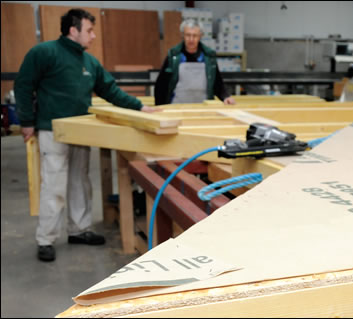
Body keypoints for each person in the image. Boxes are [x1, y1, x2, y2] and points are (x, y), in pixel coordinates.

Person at [15, 8, 159, 262]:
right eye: (89, 30)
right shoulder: (44, 53)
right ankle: (46, 239)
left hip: (80, 131)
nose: (93, 36)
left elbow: (110, 91)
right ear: (73, 30)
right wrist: (27, 121)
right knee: (54, 184)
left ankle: (79, 230)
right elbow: (24, 85)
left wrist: (140, 107)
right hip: (52, 130)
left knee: (80, 181)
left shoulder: (90, 63)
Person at [155, 19, 236, 105]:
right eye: (188, 35)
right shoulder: (174, 56)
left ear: (200, 36)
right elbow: (161, 85)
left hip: (203, 108)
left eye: (195, 36)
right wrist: (160, 107)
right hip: (177, 107)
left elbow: (217, 83)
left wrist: (226, 96)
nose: (191, 39)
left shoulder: (209, 56)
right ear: (182, 35)